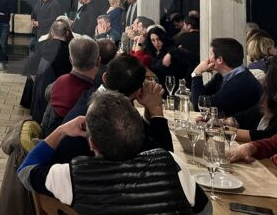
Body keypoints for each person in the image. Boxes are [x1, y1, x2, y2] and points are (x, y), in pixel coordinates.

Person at [18, 91, 209, 214]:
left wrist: (60, 131)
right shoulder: (170, 162)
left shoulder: (72, 175)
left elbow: (25, 171)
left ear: (91, 143)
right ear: (139, 134)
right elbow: (205, 209)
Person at [50, 54, 174, 164]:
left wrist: (148, 108)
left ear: (104, 77)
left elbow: (145, 138)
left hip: (62, 165)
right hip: (81, 175)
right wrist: (156, 111)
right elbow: (165, 161)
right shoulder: (114, 117)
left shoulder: (90, 94)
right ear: (137, 92)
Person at [191, 37, 263, 116]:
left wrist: (197, 73)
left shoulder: (241, 83)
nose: (208, 58)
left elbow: (200, 106)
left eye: (211, 54)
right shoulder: (222, 76)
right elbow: (197, 98)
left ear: (219, 60)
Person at [42, 36, 99, 134]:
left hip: (50, 134)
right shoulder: (93, 95)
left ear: (70, 60)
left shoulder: (60, 81)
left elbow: (47, 94)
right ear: (98, 61)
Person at [224, 57, 277, 143]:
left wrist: (224, 130)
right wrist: (227, 122)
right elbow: (247, 116)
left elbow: (265, 136)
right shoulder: (268, 100)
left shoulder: (242, 80)